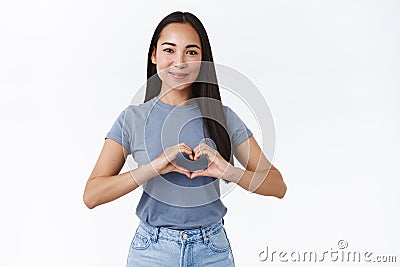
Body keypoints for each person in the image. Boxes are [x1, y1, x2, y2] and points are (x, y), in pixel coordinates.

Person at [83, 11, 287, 267]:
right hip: (151, 251)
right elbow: (92, 195)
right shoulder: (132, 119)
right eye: (169, 50)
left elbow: (278, 186)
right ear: (154, 54)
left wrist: (229, 171)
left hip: (212, 250)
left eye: (191, 52)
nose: (179, 62)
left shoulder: (223, 118)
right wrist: (152, 167)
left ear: (203, 60)